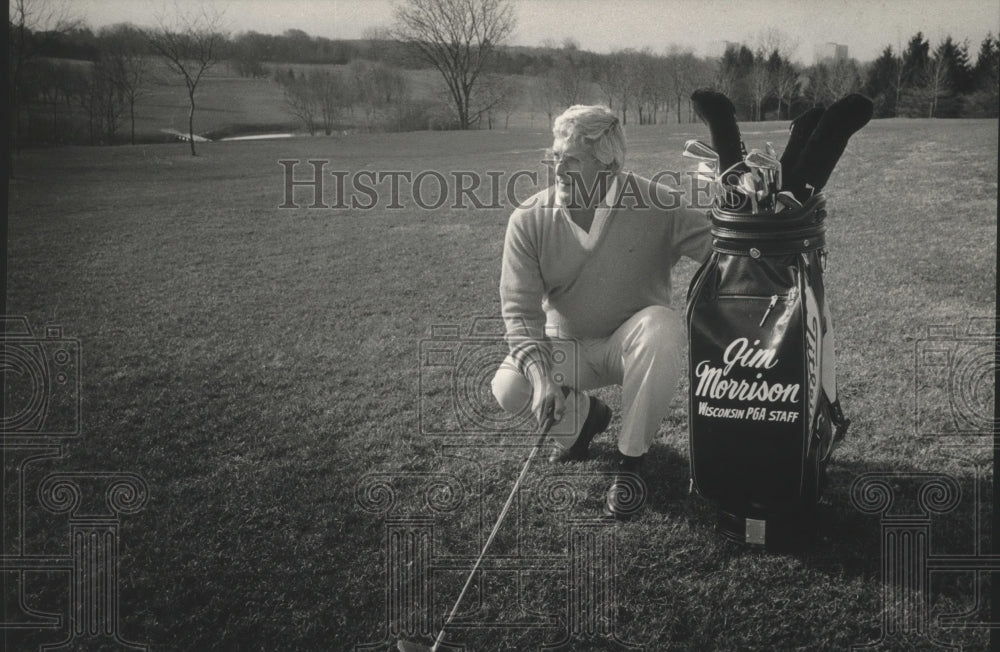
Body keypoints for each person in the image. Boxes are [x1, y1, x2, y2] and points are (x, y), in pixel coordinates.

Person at [491, 104, 712, 520]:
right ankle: (582, 421)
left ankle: (631, 464)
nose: (558, 170)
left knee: (662, 325)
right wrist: (541, 379)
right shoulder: (528, 219)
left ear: (608, 167)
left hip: (630, 347)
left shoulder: (659, 204)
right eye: (555, 157)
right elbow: (519, 312)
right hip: (567, 348)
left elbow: (722, 253)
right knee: (508, 386)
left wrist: (761, 228)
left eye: (571, 160)